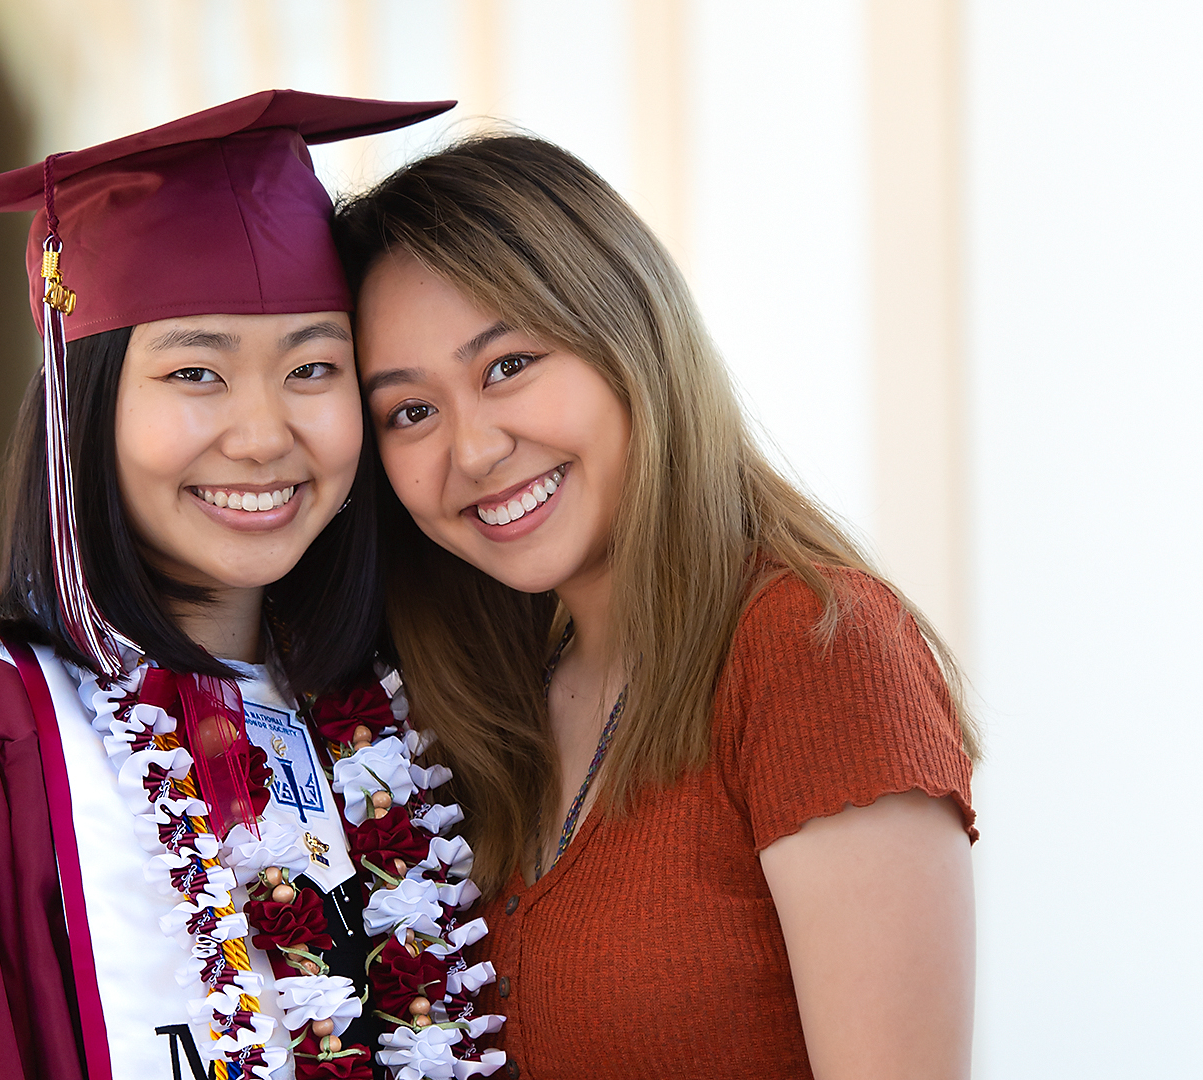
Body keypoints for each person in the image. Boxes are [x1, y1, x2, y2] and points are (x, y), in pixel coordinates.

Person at [0, 93, 509, 1080]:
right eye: (195, 374)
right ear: (85, 408)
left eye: (313, 367)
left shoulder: (400, 708)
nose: (263, 436)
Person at [334, 135, 979, 1080]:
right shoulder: (491, 704)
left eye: (508, 365)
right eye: (411, 412)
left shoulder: (818, 648)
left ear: (628, 333)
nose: (472, 450)